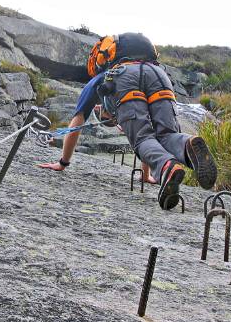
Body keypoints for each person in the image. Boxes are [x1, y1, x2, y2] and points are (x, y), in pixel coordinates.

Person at [39, 33, 217, 210]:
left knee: (142, 139)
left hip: (125, 78)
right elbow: (150, 130)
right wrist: (146, 175)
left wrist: (63, 163)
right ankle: (188, 144)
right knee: (167, 134)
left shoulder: (100, 79)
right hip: (160, 76)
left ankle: (166, 167)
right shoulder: (149, 64)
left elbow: (76, 122)